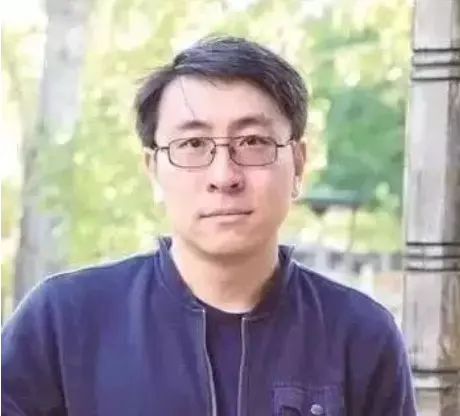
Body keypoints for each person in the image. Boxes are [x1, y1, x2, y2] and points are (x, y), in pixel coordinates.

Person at [2, 36, 417, 416]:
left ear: (298, 164)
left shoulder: (361, 335)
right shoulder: (62, 322)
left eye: (252, 142)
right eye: (193, 144)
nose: (224, 176)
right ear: (153, 170)